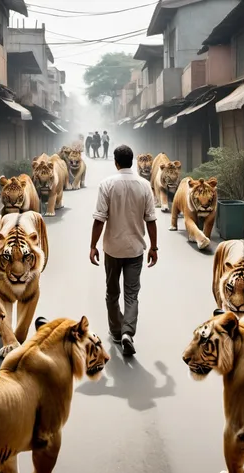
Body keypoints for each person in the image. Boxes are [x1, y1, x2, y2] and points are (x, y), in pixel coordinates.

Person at [90, 145, 158, 356]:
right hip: (135, 250)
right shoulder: (145, 185)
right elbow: (151, 221)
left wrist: (92, 246)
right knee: (131, 294)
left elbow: (99, 220)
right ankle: (128, 331)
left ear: (116, 162)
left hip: (112, 250)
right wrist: (154, 247)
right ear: (133, 161)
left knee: (112, 292)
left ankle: (117, 331)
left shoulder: (106, 185)